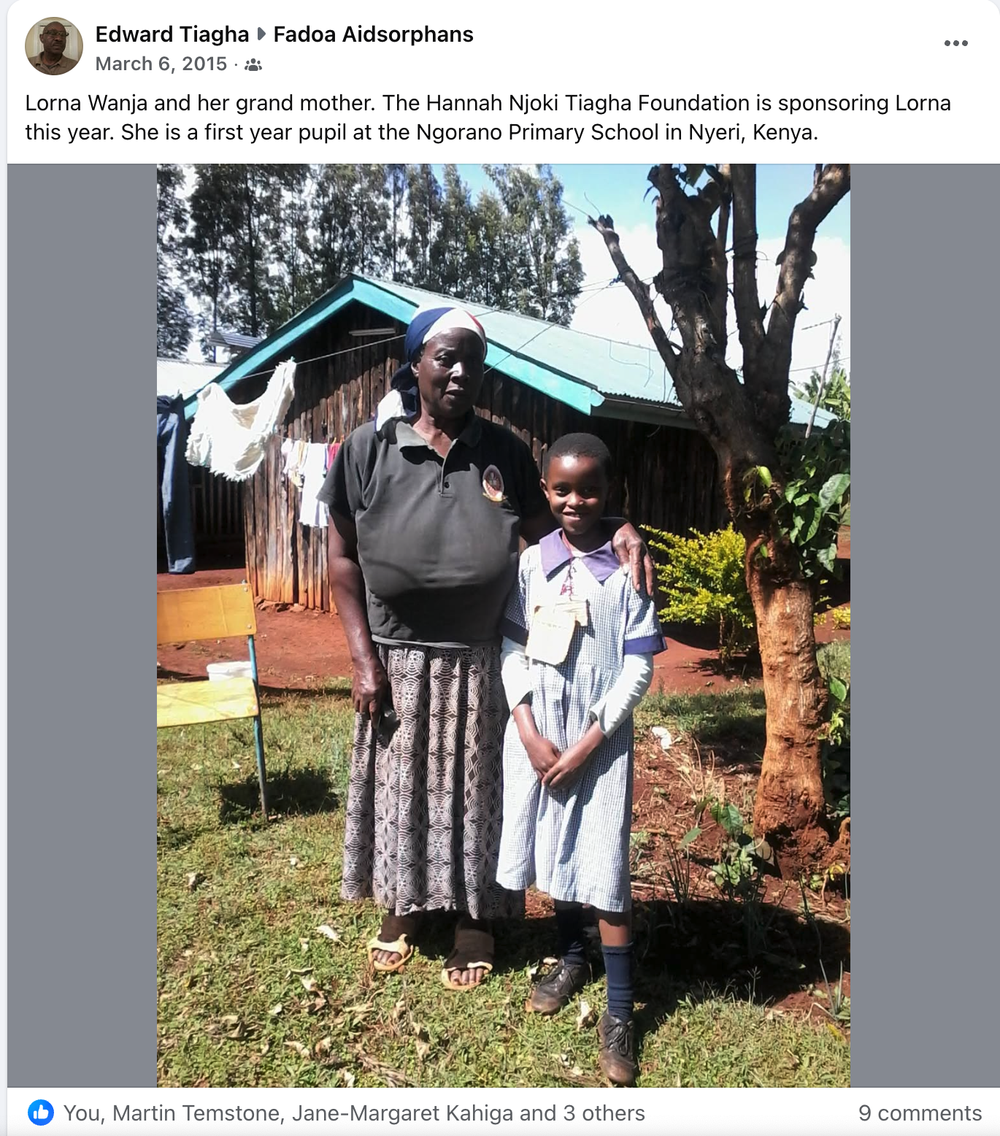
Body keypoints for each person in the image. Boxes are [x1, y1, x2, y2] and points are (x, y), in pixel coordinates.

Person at [318, 306, 653, 993]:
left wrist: (620, 526)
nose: (461, 371)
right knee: (401, 789)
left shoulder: (502, 452)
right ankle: (406, 907)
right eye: (446, 357)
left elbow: (556, 525)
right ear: (415, 364)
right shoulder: (367, 449)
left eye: (473, 359)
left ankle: (477, 917)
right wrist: (361, 657)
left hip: (481, 654)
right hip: (395, 654)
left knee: (477, 791)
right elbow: (342, 558)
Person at [496, 432, 666, 1084]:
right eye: (562, 489)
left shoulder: (628, 570)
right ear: (545, 490)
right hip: (537, 737)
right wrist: (529, 729)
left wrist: (592, 739)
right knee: (554, 849)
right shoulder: (530, 565)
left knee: (606, 867)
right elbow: (512, 650)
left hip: (598, 746)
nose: (575, 500)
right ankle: (571, 956)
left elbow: (638, 667)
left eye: (589, 489)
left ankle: (621, 1010)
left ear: (610, 491)